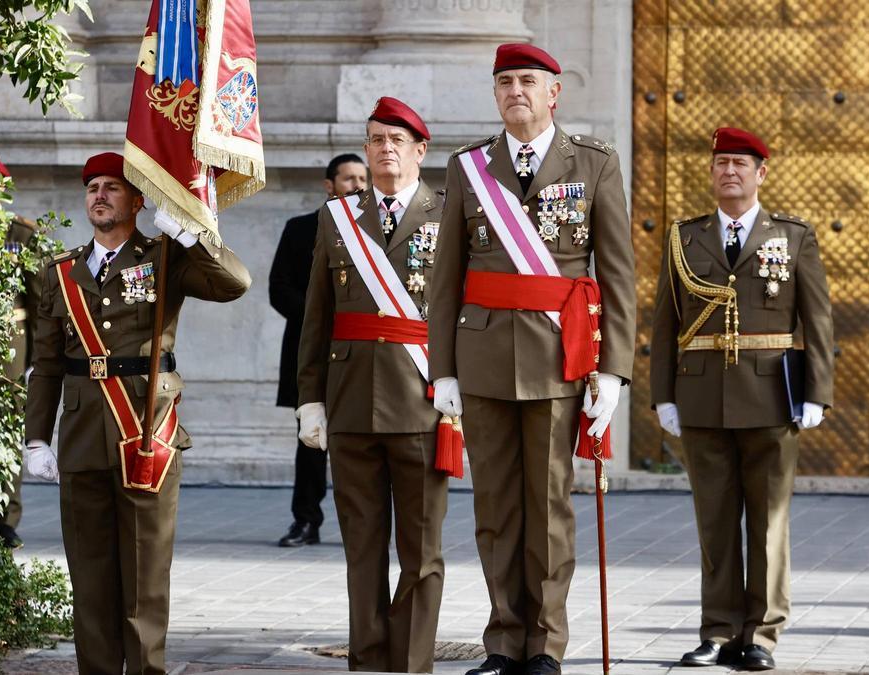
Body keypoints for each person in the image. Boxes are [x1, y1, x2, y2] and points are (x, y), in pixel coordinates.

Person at [426, 44, 636, 675]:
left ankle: (544, 645)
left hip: (557, 359)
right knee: (495, 510)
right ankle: (502, 641)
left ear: (554, 93)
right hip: (483, 354)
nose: (515, 90)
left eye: (528, 81)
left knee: (548, 510)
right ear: (495, 94)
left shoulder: (595, 163)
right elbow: (445, 278)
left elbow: (617, 274)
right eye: (505, 82)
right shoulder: (470, 168)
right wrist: (442, 370)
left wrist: (613, 369)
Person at [24, 152, 251, 675]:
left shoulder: (166, 257)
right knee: (91, 574)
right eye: (92, 188)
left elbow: (234, 283)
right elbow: (46, 364)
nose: (99, 196)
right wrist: (37, 438)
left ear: (138, 199)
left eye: (111, 188)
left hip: (146, 432)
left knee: (145, 577)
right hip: (81, 433)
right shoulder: (59, 274)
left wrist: (193, 236)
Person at [649, 127, 834, 671]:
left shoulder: (793, 236)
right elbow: (666, 323)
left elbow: (817, 319)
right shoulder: (686, 237)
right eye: (721, 163)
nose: (730, 171)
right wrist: (663, 395)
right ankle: (718, 630)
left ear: (761, 173)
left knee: (769, 520)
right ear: (711, 173)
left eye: (741, 163)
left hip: (771, 395)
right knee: (715, 520)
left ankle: (762, 635)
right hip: (702, 395)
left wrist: (817, 392)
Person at [295, 97, 448, 673]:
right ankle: (367, 658)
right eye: (376, 140)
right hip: (352, 402)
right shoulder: (336, 218)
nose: (385, 149)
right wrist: (311, 398)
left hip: (423, 406)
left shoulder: (448, 212)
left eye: (397, 141)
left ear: (419, 151)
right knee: (361, 547)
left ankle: (410, 663)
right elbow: (318, 314)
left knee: (421, 551)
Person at [269, 153, 367, 548]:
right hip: (309, 351)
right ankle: (305, 521)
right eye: (348, 179)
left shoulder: (378, 232)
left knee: (359, 443)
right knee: (310, 441)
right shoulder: (300, 230)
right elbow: (280, 290)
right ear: (330, 185)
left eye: (363, 178)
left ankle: (361, 523)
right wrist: (322, 320)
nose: (358, 185)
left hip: (361, 353)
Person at [0, 155, 41, 549]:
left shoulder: (19, 234)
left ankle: (5, 518)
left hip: (10, 349)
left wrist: (38, 362)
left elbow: (39, 302)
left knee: (7, 433)